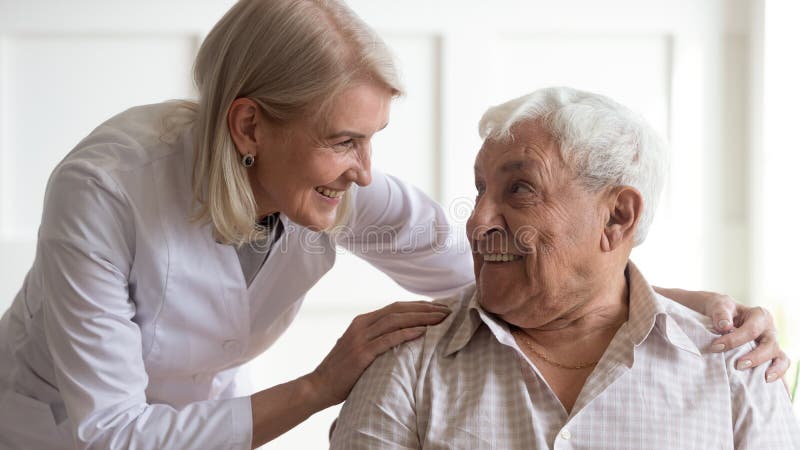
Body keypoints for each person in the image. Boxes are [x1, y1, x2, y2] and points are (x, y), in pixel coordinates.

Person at [0, 1, 787, 448]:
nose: (366, 172)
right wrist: (316, 387)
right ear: (249, 128)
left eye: (370, 139)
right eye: (343, 140)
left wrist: (678, 304)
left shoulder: (337, 192)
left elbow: (487, 263)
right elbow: (113, 432)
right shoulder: (102, 193)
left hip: (205, 417)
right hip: (61, 428)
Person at [330, 87, 800, 449]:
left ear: (617, 218)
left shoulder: (738, 370)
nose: (476, 221)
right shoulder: (407, 365)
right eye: (479, 190)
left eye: (519, 189)